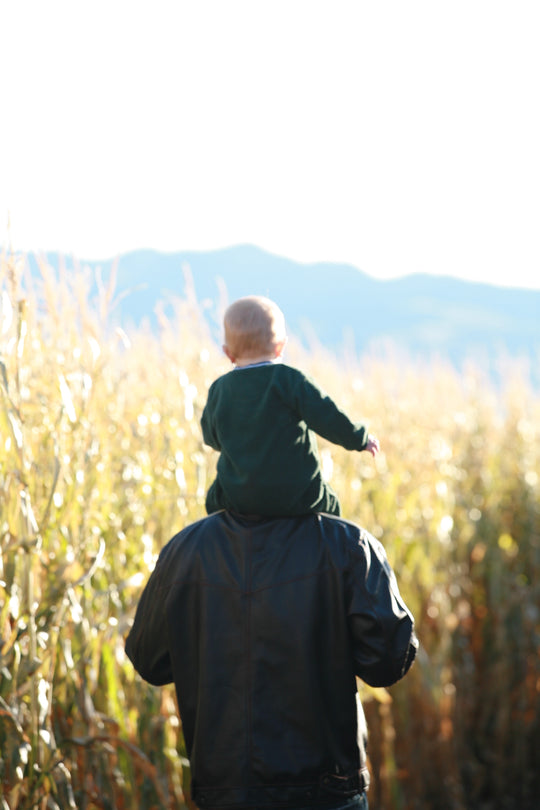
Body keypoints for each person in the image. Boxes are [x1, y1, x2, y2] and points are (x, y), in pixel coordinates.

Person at [125, 510, 418, 810]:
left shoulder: (185, 550)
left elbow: (149, 661)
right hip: (328, 791)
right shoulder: (349, 545)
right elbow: (387, 663)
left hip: (225, 793)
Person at [201, 296, 380, 517]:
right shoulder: (291, 380)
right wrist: (359, 438)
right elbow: (327, 416)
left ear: (228, 353)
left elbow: (210, 438)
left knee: (213, 499)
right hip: (297, 496)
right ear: (280, 347)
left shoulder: (219, 389)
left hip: (237, 499)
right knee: (329, 504)